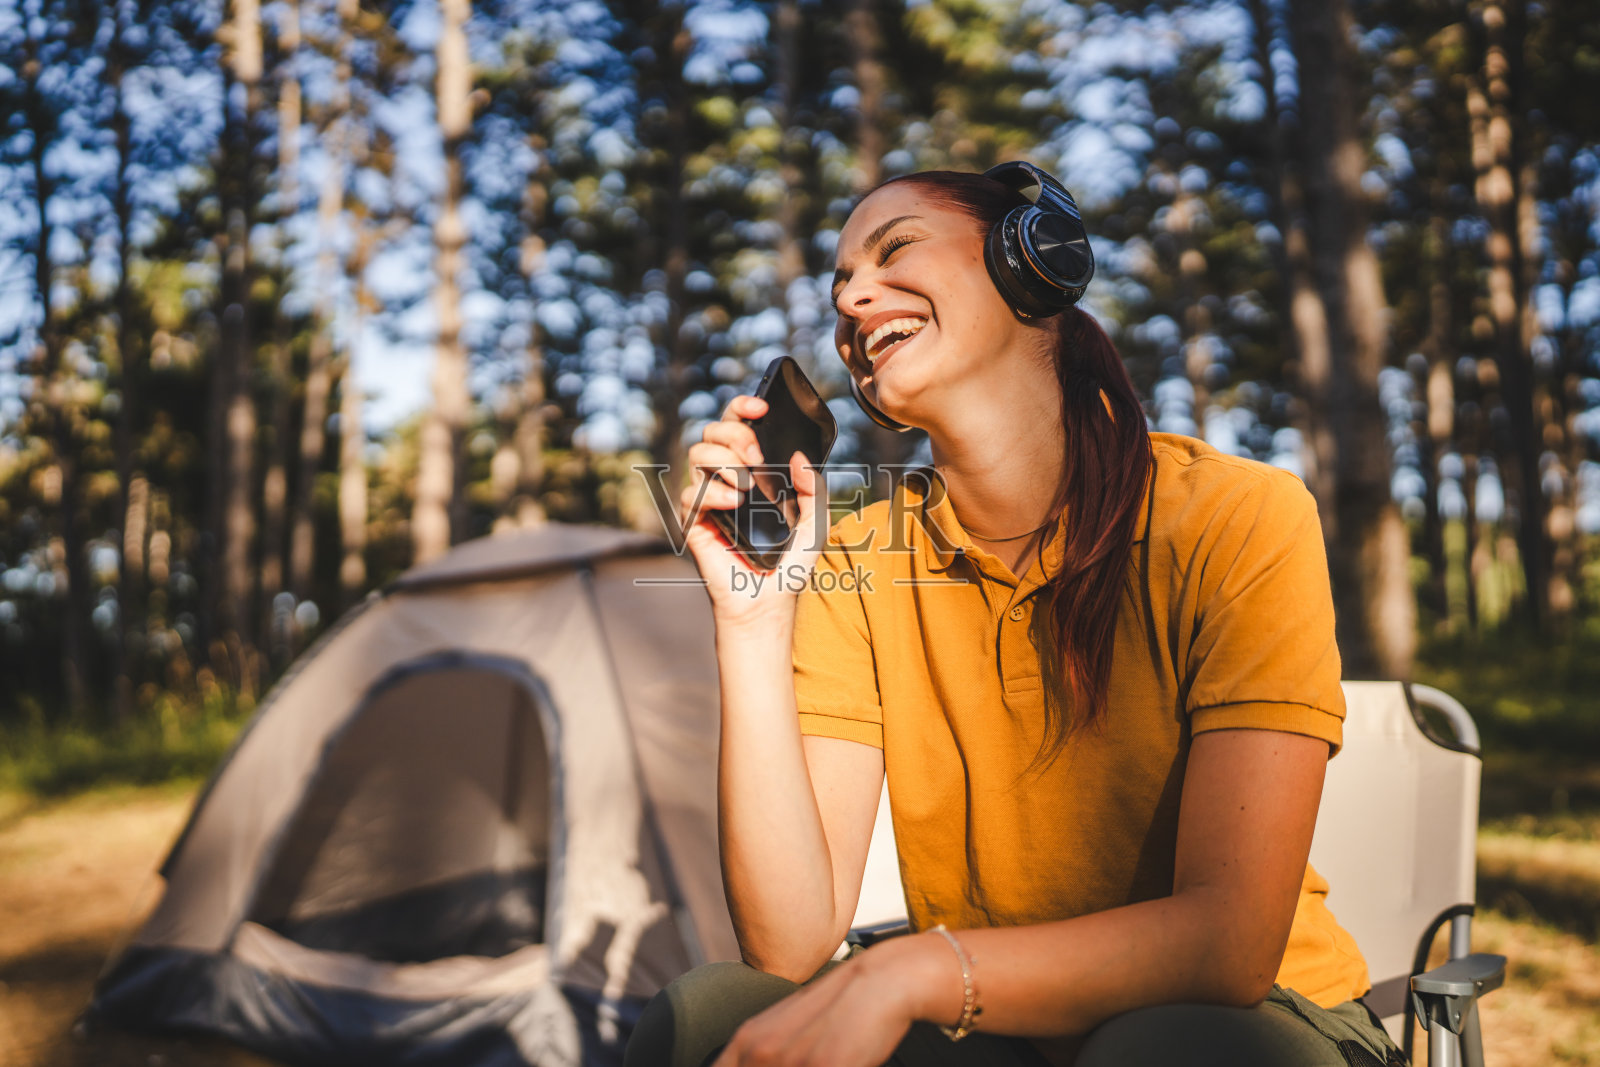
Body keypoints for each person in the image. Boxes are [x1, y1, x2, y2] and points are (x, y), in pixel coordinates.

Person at [625, 167, 1407, 1067]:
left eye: (894, 248)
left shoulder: (1238, 516)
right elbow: (788, 946)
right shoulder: (856, 559)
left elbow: (1227, 943)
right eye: (840, 284)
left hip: (1253, 1018)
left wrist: (911, 971)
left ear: (1034, 261)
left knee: (1154, 1049)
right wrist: (752, 624)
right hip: (998, 1022)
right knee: (709, 1014)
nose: (851, 298)